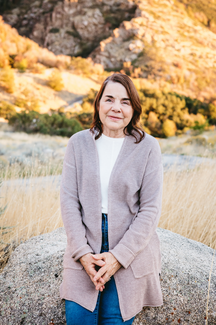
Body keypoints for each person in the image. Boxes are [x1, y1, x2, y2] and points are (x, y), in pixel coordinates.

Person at [60, 73, 163, 325]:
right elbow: (69, 201)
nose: (116, 107)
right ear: (98, 104)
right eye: (109, 99)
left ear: (133, 108)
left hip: (130, 248)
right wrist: (83, 253)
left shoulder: (148, 147)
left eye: (125, 101)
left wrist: (118, 257)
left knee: (115, 319)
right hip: (85, 245)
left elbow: (150, 210)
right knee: (79, 318)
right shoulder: (78, 143)